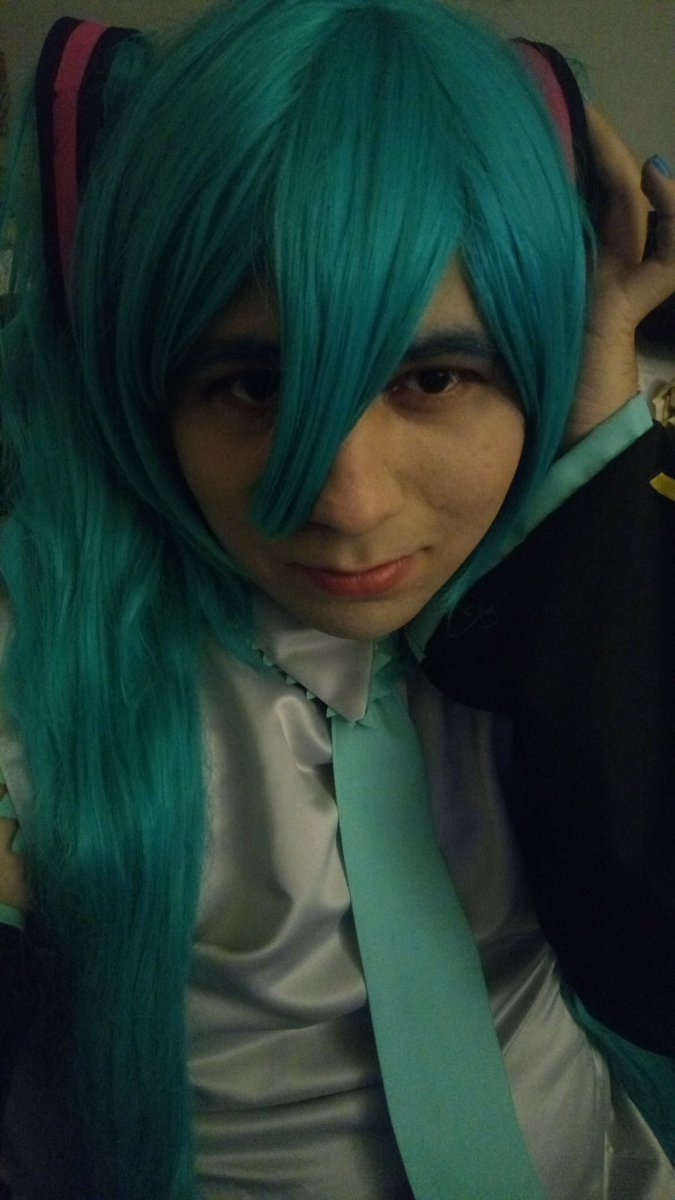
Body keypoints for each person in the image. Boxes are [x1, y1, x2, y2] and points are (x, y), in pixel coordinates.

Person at [0, 2, 673, 1198]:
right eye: (254, 386)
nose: (349, 501)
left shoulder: (574, 594)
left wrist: (598, 441)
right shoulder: (36, 666)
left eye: (434, 378)